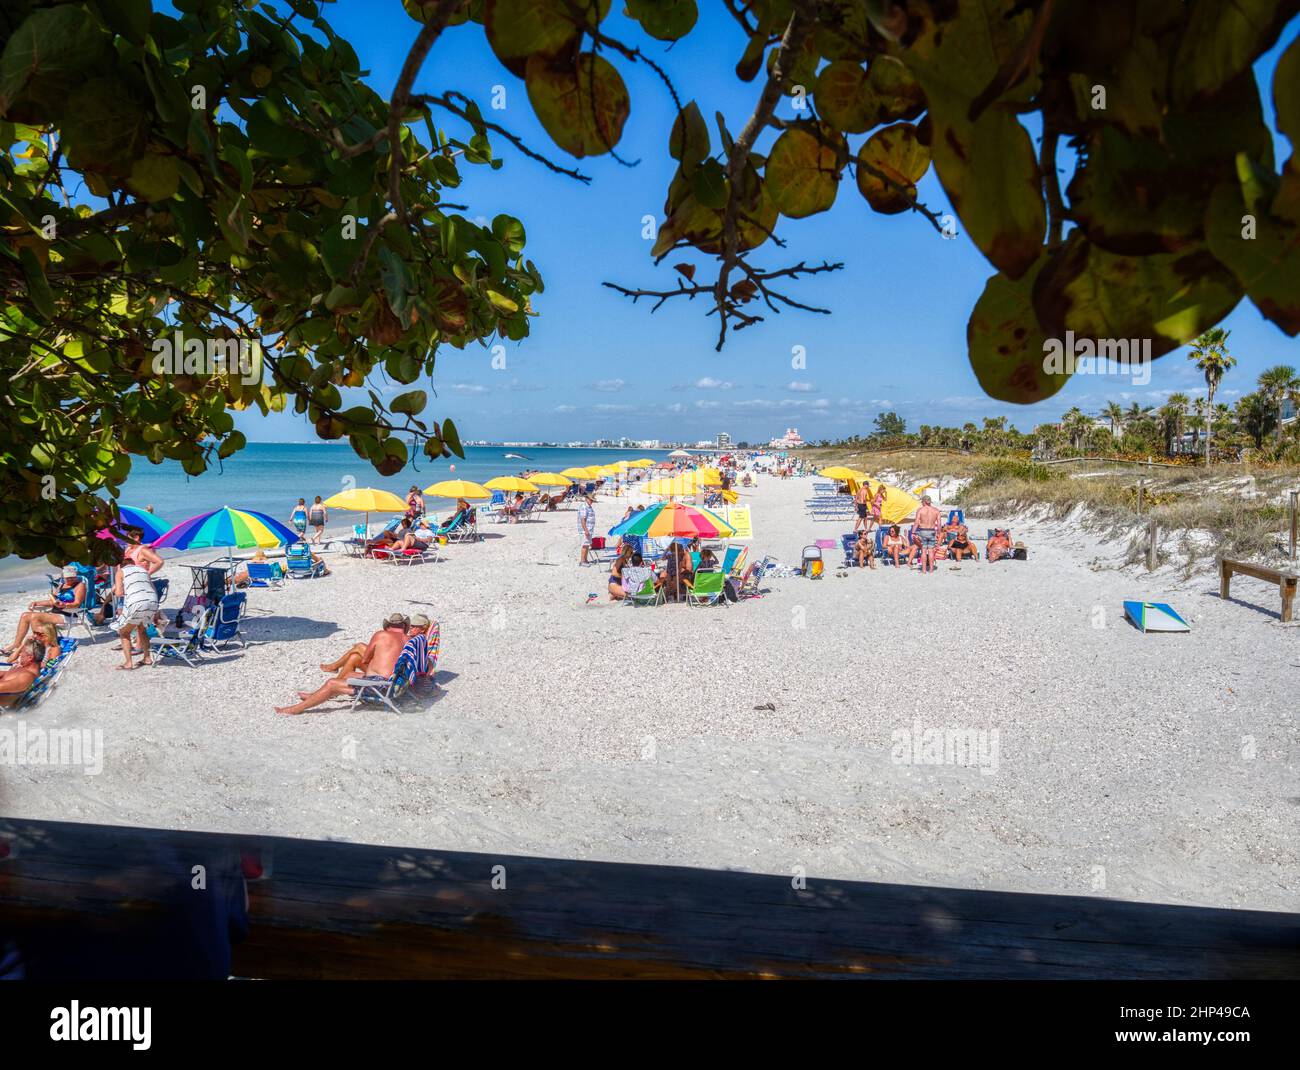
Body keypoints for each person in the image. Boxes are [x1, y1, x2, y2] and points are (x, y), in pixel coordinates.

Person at [277, 613, 411, 715]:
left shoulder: (381, 634)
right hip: (396, 683)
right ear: (404, 626)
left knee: (331, 683)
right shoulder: (409, 640)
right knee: (352, 664)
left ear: (388, 626)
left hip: (380, 687)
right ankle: (318, 695)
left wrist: (378, 658)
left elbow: (365, 660)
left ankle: (294, 710)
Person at [111, 561, 159, 669]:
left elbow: (118, 593)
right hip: (152, 600)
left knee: (124, 632)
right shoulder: (143, 571)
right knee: (142, 629)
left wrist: (124, 590)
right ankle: (147, 658)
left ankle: (128, 663)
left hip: (136, 602)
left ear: (121, 565)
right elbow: (152, 588)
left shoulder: (121, 572)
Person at [0, 639, 45, 707]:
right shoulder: (23, 669)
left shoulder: (26, 677)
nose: (20, 654)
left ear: (30, 657)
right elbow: (5, 675)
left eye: (22, 652)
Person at [913, 494, 942, 574]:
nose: (922, 503)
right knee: (931, 551)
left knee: (923, 551)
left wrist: (913, 532)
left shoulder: (920, 510)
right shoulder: (936, 510)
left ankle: (924, 570)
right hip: (932, 531)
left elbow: (916, 522)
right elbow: (939, 524)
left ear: (924, 502)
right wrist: (939, 533)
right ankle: (931, 569)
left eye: (922, 502)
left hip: (923, 531)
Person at [577, 493, 596, 565]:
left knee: (587, 544)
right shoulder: (584, 506)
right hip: (585, 530)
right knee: (585, 545)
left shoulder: (589, 506)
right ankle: (582, 561)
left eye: (592, 500)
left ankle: (585, 559)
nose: (592, 501)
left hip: (589, 529)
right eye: (591, 500)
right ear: (586, 499)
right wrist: (586, 530)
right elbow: (583, 519)